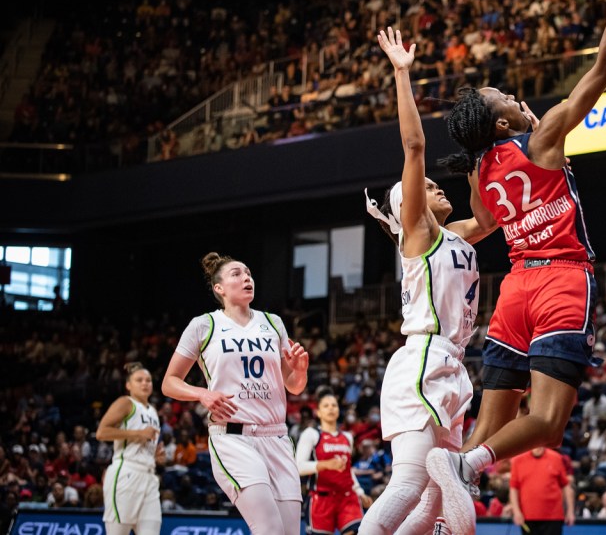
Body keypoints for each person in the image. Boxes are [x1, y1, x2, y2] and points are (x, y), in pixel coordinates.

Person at [425, 0, 606, 535]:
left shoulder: (480, 171)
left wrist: (425, 246)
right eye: (506, 94)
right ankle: (466, 466)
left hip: (513, 295)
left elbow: (484, 224)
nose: (517, 94)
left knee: (488, 432)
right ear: (505, 118)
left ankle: (438, 515)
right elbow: (604, 66)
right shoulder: (544, 136)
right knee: (546, 425)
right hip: (559, 284)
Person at [360, 28, 491, 535]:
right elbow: (414, 146)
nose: (438, 188)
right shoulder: (418, 233)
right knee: (411, 484)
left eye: (438, 185)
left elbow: (487, 217)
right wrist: (401, 73)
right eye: (430, 187)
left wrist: (485, 152)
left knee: (438, 499)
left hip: (454, 364)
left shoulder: (457, 235)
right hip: (421, 358)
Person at [161, 252, 309, 535]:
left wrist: (299, 371)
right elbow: (169, 382)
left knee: (290, 533)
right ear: (219, 288)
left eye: (249, 273)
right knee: (270, 530)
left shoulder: (273, 322)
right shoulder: (204, 325)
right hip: (234, 438)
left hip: (276, 436)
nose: (246, 278)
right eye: (237, 274)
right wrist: (203, 394)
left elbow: (293, 386)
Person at [96, 362, 163, 535]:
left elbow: (144, 441)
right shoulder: (125, 403)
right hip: (126, 473)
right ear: (128, 385)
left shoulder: (153, 411)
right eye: (139, 380)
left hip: (149, 476)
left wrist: (155, 455)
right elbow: (102, 432)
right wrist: (138, 434)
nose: (145, 383)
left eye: (148, 380)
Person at [295, 391, 371, 535]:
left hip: (347, 498)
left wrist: (360, 492)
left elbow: (347, 470)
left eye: (334, 405)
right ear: (318, 412)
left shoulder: (347, 437)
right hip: (321, 499)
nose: (331, 408)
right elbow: (298, 467)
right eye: (326, 406)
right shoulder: (311, 434)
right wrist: (325, 464)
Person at [508, 446, 575, 535]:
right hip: (528, 517)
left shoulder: (556, 458)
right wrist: (516, 512)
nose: (538, 446)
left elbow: (566, 486)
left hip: (553, 517)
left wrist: (570, 511)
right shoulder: (517, 460)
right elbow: (513, 488)